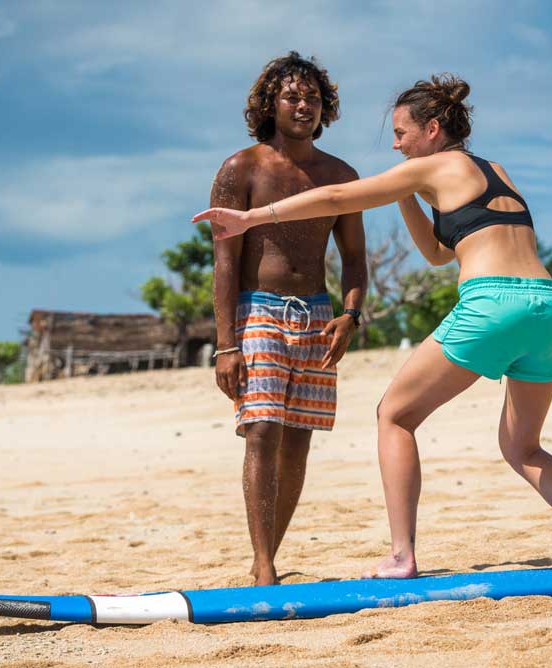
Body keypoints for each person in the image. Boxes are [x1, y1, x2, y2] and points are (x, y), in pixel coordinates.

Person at [194, 74, 552, 579]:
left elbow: (338, 197)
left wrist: (255, 218)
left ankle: (402, 554)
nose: (396, 143)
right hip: (548, 309)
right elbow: (437, 253)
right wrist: (403, 193)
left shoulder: (434, 165)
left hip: (491, 303)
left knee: (394, 416)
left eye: (402, 133)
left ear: (431, 129)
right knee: (523, 447)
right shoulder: (493, 169)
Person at [207, 52, 368, 586]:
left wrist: (350, 314)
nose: (304, 106)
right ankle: (264, 565)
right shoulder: (241, 169)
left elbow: (354, 260)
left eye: (314, 99)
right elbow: (225, 267)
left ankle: (266, 558)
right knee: (261, 431)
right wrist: (225, 345)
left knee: (298, 437)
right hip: (260, 312)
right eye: (293, 97)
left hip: (319, 316)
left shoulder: (340, 176)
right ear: (270, 105)